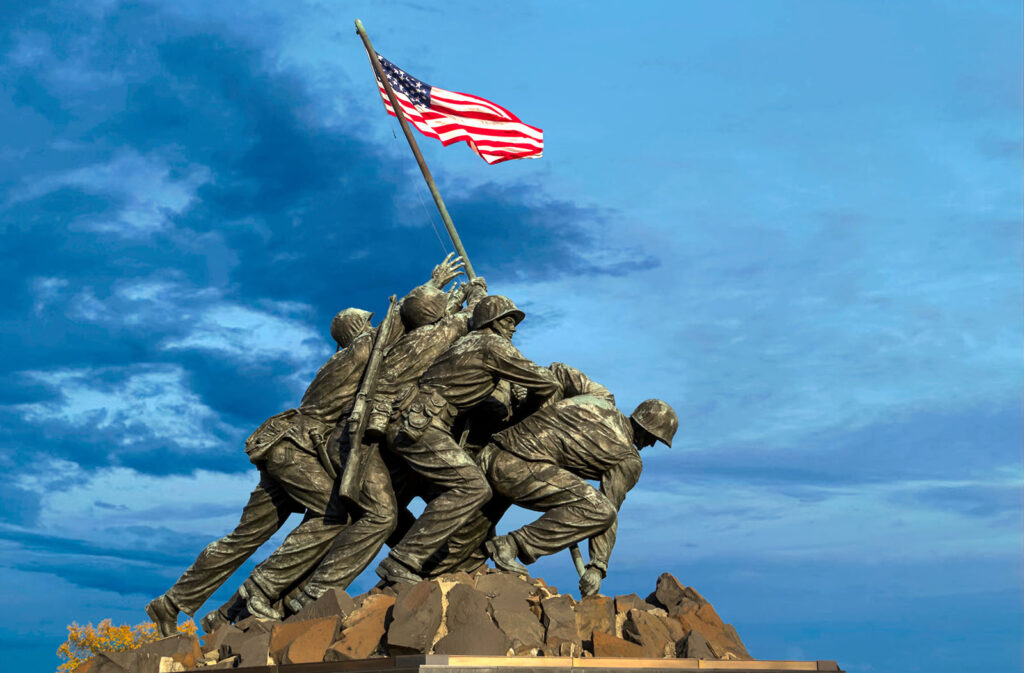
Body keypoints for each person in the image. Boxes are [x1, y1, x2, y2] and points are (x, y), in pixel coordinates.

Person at [144, 256, 461, 635]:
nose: (375, 325)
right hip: (296, 452)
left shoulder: (342, 359)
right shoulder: (362, 353)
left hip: (284, 449)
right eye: (369, 322)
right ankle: (261, 590)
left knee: (244, 537)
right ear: (359, 329)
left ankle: (172, 603)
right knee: (334, 515)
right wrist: (436, 285)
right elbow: (405, 321)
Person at [244, 273, 489, 614]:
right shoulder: (428, 337)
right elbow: (471, 318)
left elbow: (417, 315)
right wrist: (476, 291)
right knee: (379, 515)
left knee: (362, 515)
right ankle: (306, 595)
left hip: (358, 437)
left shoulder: (401, 342)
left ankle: (282, 592)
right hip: (355, 440)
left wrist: (446, 290)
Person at [423, 365, 678, 598]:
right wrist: (597, 567)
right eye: (655, 437)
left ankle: (422, 581)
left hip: (492, 453)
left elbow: (558, 371)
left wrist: (537, 411)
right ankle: (512, 545)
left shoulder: (600, 398)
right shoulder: (629, 459)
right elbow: (607, 513)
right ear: (645, 430)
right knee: (599, 509)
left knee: (463, 551)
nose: (652, 443)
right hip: (518, 470)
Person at [375, 295, 563, 584]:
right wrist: (526, 411)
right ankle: (402, 560)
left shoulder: (465, 343)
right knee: (473, 488)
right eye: (508, 321)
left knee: (435, 498)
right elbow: (547, 381)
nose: (514, 328)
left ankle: (433, 562)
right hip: (424, 424)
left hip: (413, 420)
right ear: (492, 322)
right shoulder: (491, 344)